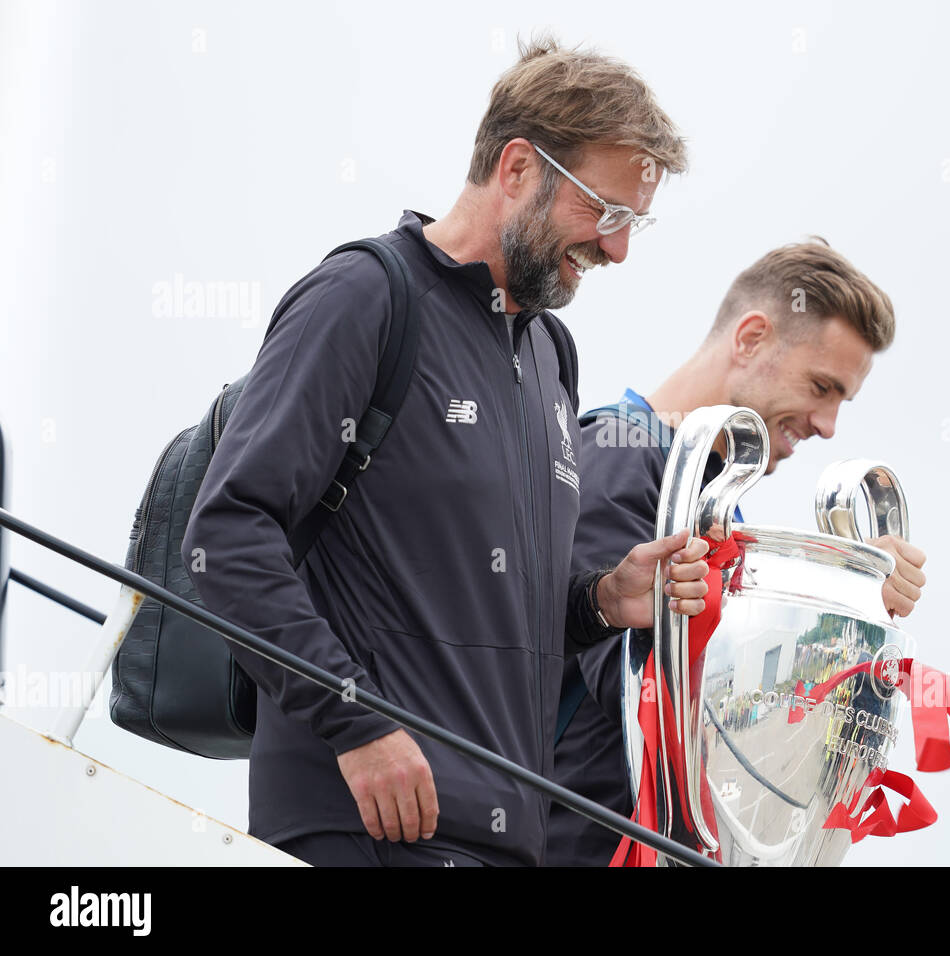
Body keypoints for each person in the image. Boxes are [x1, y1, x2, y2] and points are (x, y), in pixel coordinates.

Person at [182, 36, 713, 868]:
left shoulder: (551, 356)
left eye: (632, 221)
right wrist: (354, 721)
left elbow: (490, 615)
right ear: (517, 168)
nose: (618, 249)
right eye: (605, 212)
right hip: (360, 824)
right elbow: (227, 535)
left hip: (504, 842)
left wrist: (602, 601)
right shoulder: (364, 295)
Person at [544, 239, 929, 866]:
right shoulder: (620, 460)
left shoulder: (709, 497)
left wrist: (853, 609)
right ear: (750, 338)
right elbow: (651, 691)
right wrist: (829, 616)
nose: (828, 425)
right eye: (821, 386)